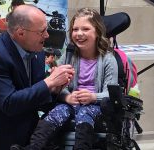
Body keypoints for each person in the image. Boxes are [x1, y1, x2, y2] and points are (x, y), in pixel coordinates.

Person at [0, 5, 74, 150]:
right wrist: (49, 82)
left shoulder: (37, 52)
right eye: (42, 31)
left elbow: (34, 97)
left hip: (21, 139)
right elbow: (9, 103)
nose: (47, 35)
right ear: (21, 33)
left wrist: (55, 89)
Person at [10, 8, 118, 150]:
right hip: (70, 102)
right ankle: (33, 147)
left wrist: (92, 96)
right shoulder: (69, 55)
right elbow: (59, 85)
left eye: (85, 29)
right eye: (75, 29)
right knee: (56, 113)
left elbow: (111, 93)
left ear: (98, 32)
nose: (79, 34)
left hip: (94, 105)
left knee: (85, 114)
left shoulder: (108, 59)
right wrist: (66, 97)